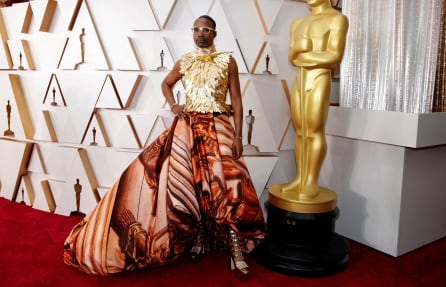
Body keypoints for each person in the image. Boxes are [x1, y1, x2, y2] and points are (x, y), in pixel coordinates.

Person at [63, 15, 266, 280]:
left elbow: (237, 101)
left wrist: (238, 137)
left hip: (219, 125)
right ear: (192, 33)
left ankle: (235, 247)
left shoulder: (228, 60)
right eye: (196, 29)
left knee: (229, 184)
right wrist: (173, 104)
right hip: (189, 127)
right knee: (193, 185)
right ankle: (199, 236)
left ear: (215, 33)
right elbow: (165, 84)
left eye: (206, 29)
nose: (200, 34)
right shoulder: (184, 61)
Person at [281, 0, 348, 199]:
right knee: (301, 131)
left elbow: (334, 55)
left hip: (319, 78)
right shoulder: (298, 22)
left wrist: (304, 55)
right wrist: (301, 49)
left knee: (314, 130)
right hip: (300, 79)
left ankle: (311, 180)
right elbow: (292, 57)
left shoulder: (337, 19)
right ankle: (300, 178)